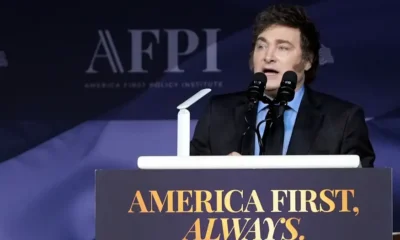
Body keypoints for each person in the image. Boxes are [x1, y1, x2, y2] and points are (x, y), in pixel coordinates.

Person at [189, 4, 375, 168]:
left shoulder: (343, 120)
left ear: (308, 60)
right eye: (261, 46)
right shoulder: (219, 113)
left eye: (283, 47)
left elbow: (364, 194)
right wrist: (220, 175)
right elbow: (187, 186)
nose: (268, 56)